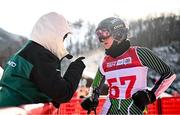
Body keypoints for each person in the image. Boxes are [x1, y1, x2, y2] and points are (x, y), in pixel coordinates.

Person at [81, 17, 176, 114]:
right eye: (99, 34)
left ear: (118, 34)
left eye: (105, 33)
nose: (101, 38)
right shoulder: (105, 61)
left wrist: (151, 95)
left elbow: (169, 74)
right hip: (109, 110)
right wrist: (92, 98)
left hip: (134, 110)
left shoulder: (139, 54)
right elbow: (96, 84)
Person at [0, 12, 86, 108]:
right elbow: (62, 93)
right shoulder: (40, 57)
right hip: (18, 110)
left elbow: (34, 84)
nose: (62, 41)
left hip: (8, 106)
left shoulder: (27, 51)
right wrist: (76, 68)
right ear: (55, 35)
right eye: (63, 37)